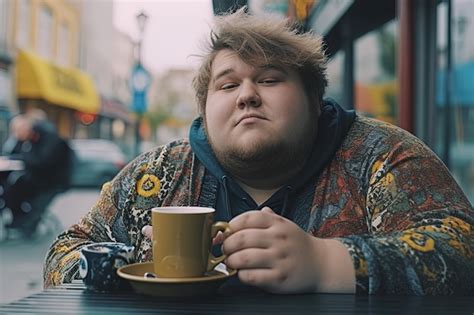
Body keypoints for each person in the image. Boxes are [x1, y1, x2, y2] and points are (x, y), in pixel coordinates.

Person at [44, 9, 473, 295]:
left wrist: (326, 264)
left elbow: (462, 246)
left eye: (269, 79)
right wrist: (134, 263)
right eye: (227, 85)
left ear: (313, 98)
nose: (246, 95)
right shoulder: (157, 174)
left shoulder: (380, 154)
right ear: (205, 111)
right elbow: (64, 252)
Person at [1, 113, 73, 234]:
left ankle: (27, 225)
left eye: (18, 133)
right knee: (11, 190)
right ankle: (18, 221)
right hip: (35, 178)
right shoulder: (27, 138)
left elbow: (41, 161)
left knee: (35, 206)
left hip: (53, 181)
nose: (17, 136)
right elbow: (14, 153)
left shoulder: (49, 138)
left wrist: (22, 155)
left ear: (27, 128)